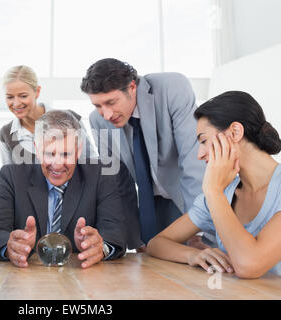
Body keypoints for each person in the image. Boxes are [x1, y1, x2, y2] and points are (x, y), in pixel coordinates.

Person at [147, 91, 281, 279]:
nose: (199, 154)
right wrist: (192, 254)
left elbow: (249, 265)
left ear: (235, 132)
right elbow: (157, 244)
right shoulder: (224, 193)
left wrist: (213, 190)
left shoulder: (218, 192)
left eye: (204, 141)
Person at [80, 58, 208, 250]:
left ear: (132, 87)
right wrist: (134, 240)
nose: (106, 114)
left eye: (111, 102)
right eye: (98, 106)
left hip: (187, 196)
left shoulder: (172, 89)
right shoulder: (98, 122)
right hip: (151, 205)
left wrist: (200, 230)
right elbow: (117, 182)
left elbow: (193, 162)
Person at [0, 110, 127, 268]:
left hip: (82, 276)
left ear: (78, 150)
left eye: (65, 154)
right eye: (50, 153)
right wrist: (11, 247)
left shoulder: (100, 175)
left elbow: (116, 233)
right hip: (28, 278)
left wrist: (100, 247)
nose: (57, 164)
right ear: (37, 149)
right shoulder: (13, 177)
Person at [0, 65, 98, 165]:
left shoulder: (70, 118)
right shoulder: (6, 134)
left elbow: (91, 162)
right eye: (10, 97)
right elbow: (9, 177)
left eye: (23, 96)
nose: (16, 103)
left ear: (37, 92)